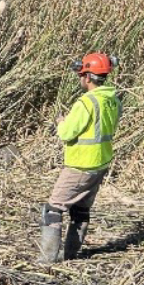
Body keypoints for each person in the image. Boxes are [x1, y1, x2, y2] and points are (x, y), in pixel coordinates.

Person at [39, 52, 121, 263]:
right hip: (100, 164)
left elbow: (67, 133)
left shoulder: (85, 103)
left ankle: (47, 261)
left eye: (81, 74)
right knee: (81, 210)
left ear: (87, 77)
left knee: (53, 209)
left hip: (80, 165)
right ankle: (72, 256)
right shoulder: (112, 100)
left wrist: (61, 122)